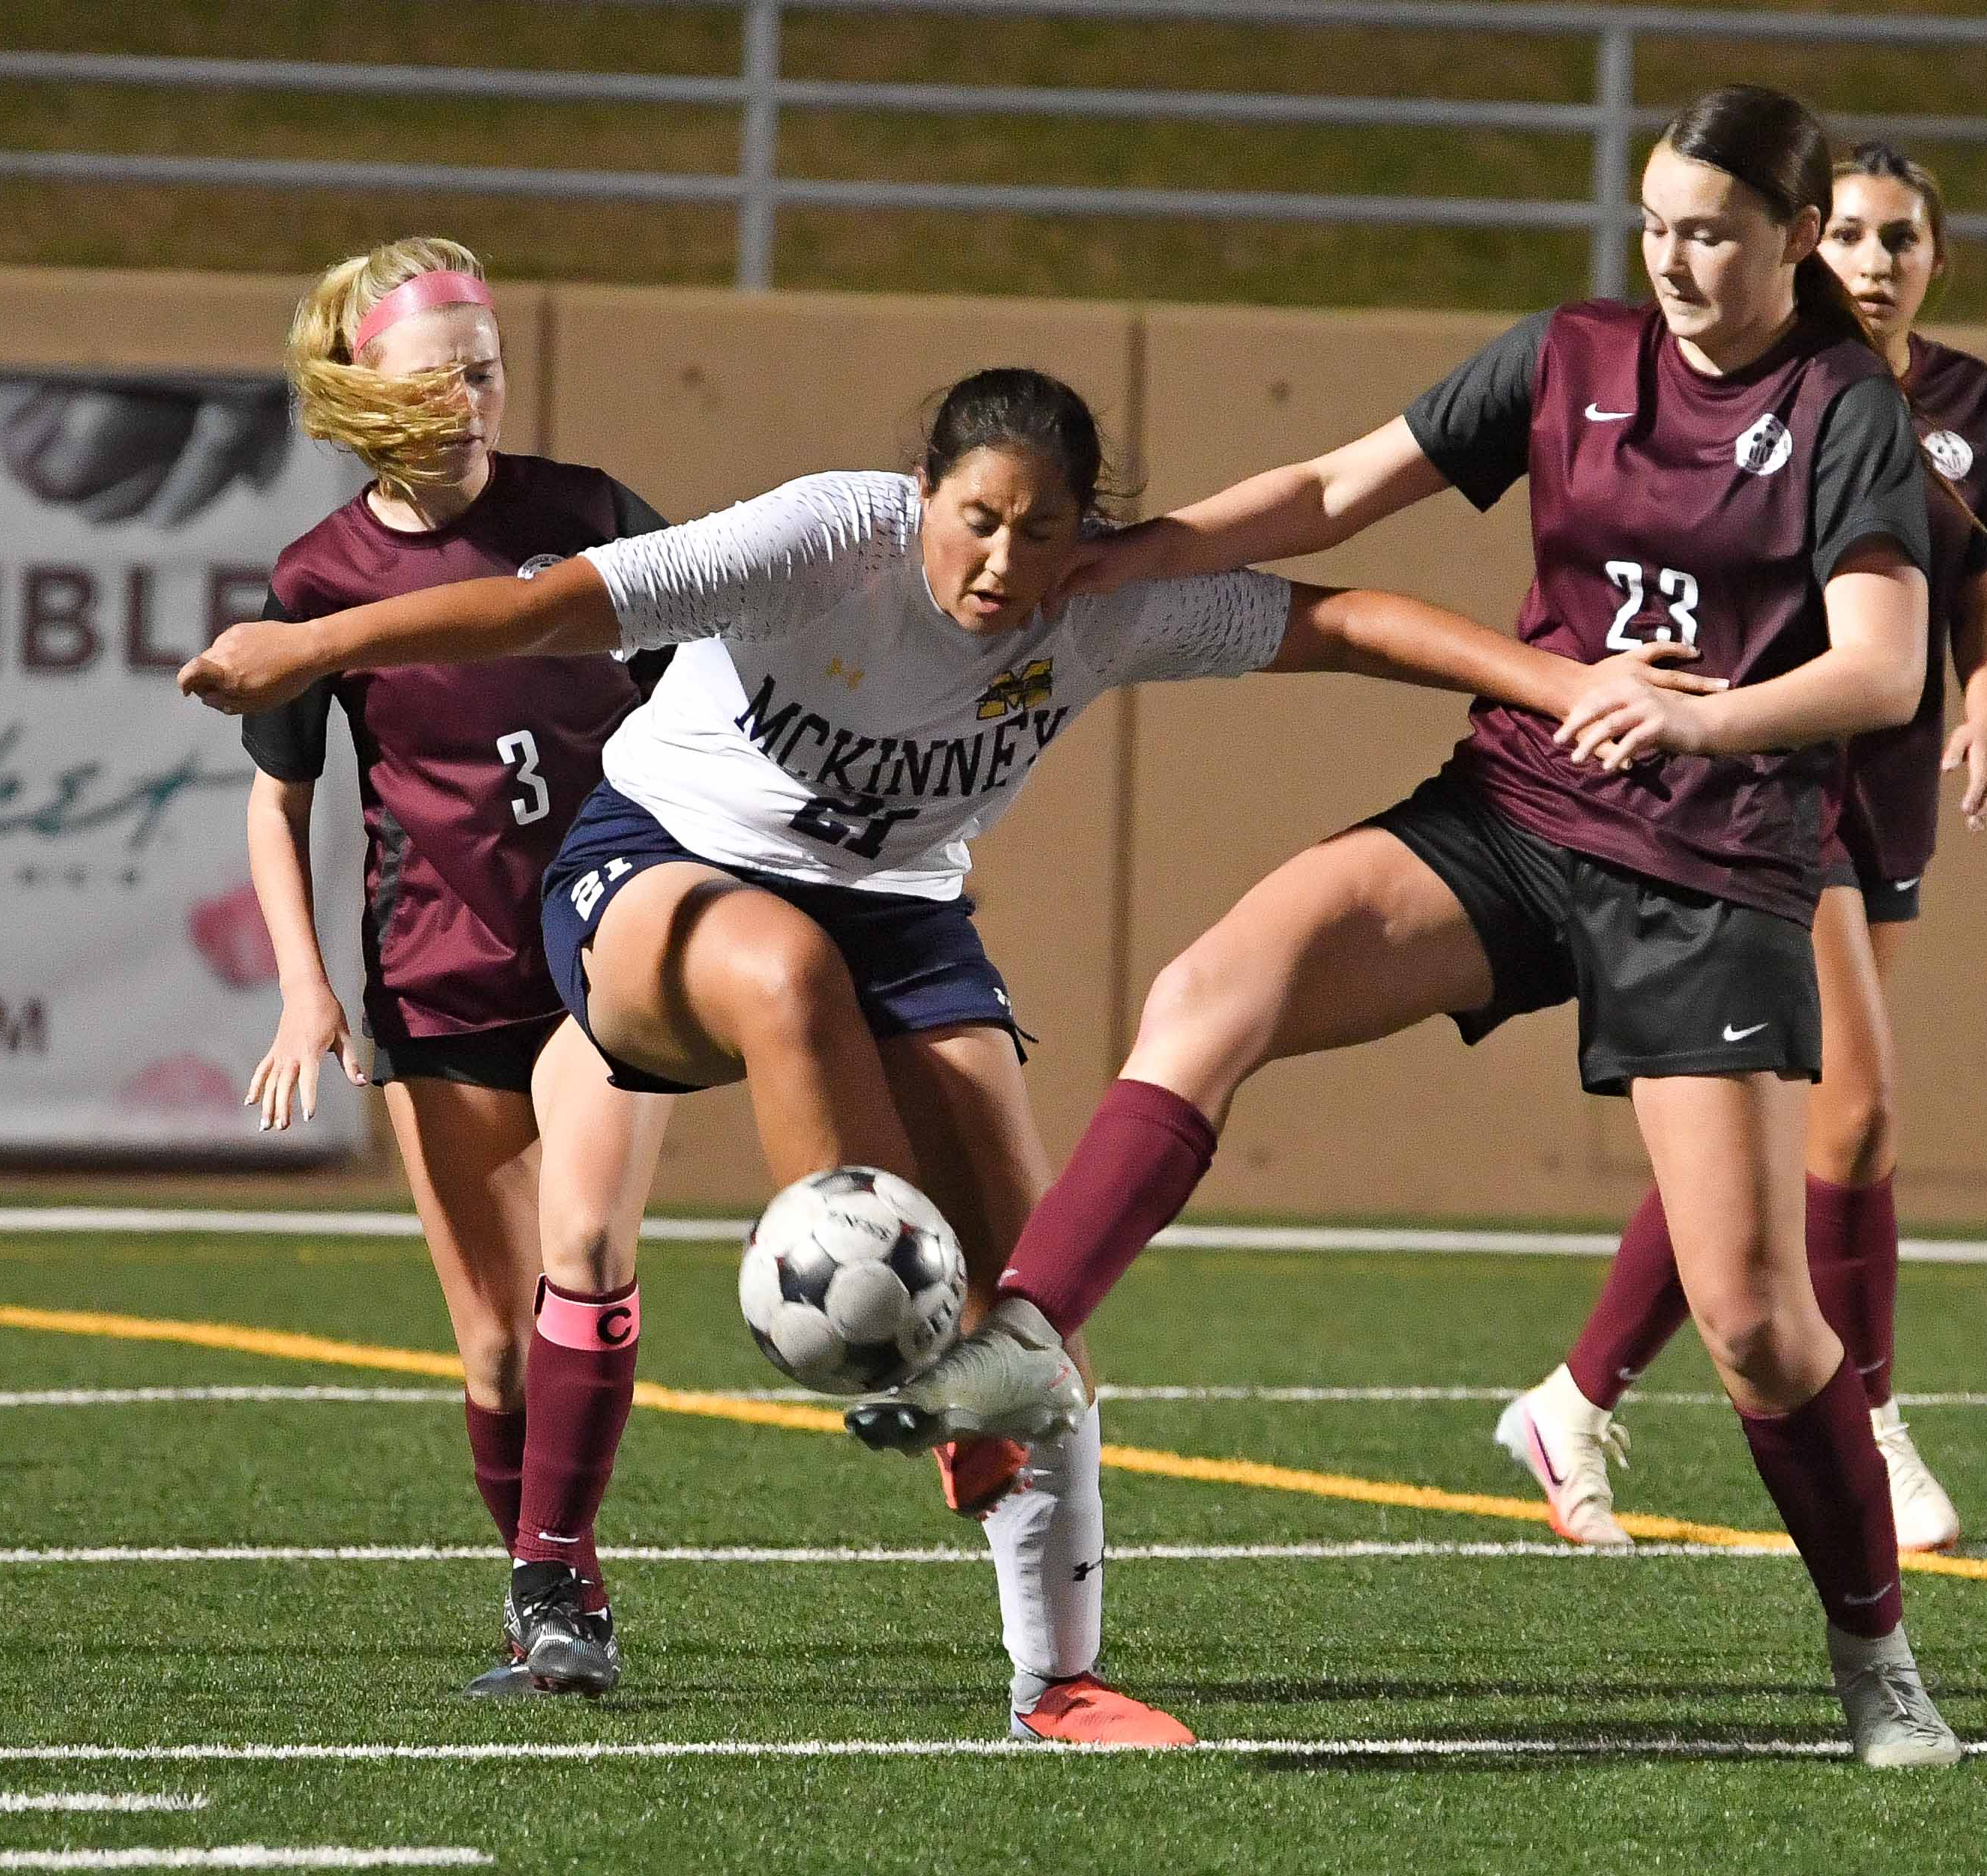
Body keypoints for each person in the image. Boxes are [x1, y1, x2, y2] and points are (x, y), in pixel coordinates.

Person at [181, 365, 1720, 1743]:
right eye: (976, 520)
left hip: (905, 918)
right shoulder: (822, 539)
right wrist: (311, 646)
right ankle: (891, 1344)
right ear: (924, 497)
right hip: (656, 870)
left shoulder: (1101, 604)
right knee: (782, 977)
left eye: (1039, 533)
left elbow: (1348, 623)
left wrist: (1576, 685)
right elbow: (544, 606)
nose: (1000, 564)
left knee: (1035, 1288)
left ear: (1082, 535)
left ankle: (1058, 1680)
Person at [853, 88, 1968, 1769]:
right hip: (1521, 812)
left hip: (1713, 858)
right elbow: (1326, 488)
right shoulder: (1572, 354)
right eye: (1657, 222)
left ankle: (1876, 1657)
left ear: (1795, 241)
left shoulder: (1844, 411)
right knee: (1219, 983)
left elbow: (1882, 666)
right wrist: (1127, 556)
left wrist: (1699, 724)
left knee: (1751, 1321)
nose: (1673, 258)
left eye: (1714, 232)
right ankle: (1022, 1341)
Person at [1494, 141, 1987, 1558]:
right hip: (1765, 774)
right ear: (1806, 243)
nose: (1873, 263)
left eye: (1900, 241)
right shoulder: (1779, 382)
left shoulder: (1961, 400)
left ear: (1937, 258)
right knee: (1852, 1113)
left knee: (1780, 1129)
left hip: (1885, 770)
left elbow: (1968, 584)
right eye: (1851, 236)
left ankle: (1573, 1395)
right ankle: (1862, 1412)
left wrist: (1984, 701)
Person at [234, 236, 671, 1698]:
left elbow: (719, 687)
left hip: (604, 955)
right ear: (366, 392)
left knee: (587, 1261)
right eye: (440, 377)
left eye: (488, 370)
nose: (474, 400)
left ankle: (561, 1597)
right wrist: (307, 987)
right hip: (439, 975)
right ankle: (557, 1592)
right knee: (493, 1345)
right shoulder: (319, 577)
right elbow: (280, 794)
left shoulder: (593, 516)